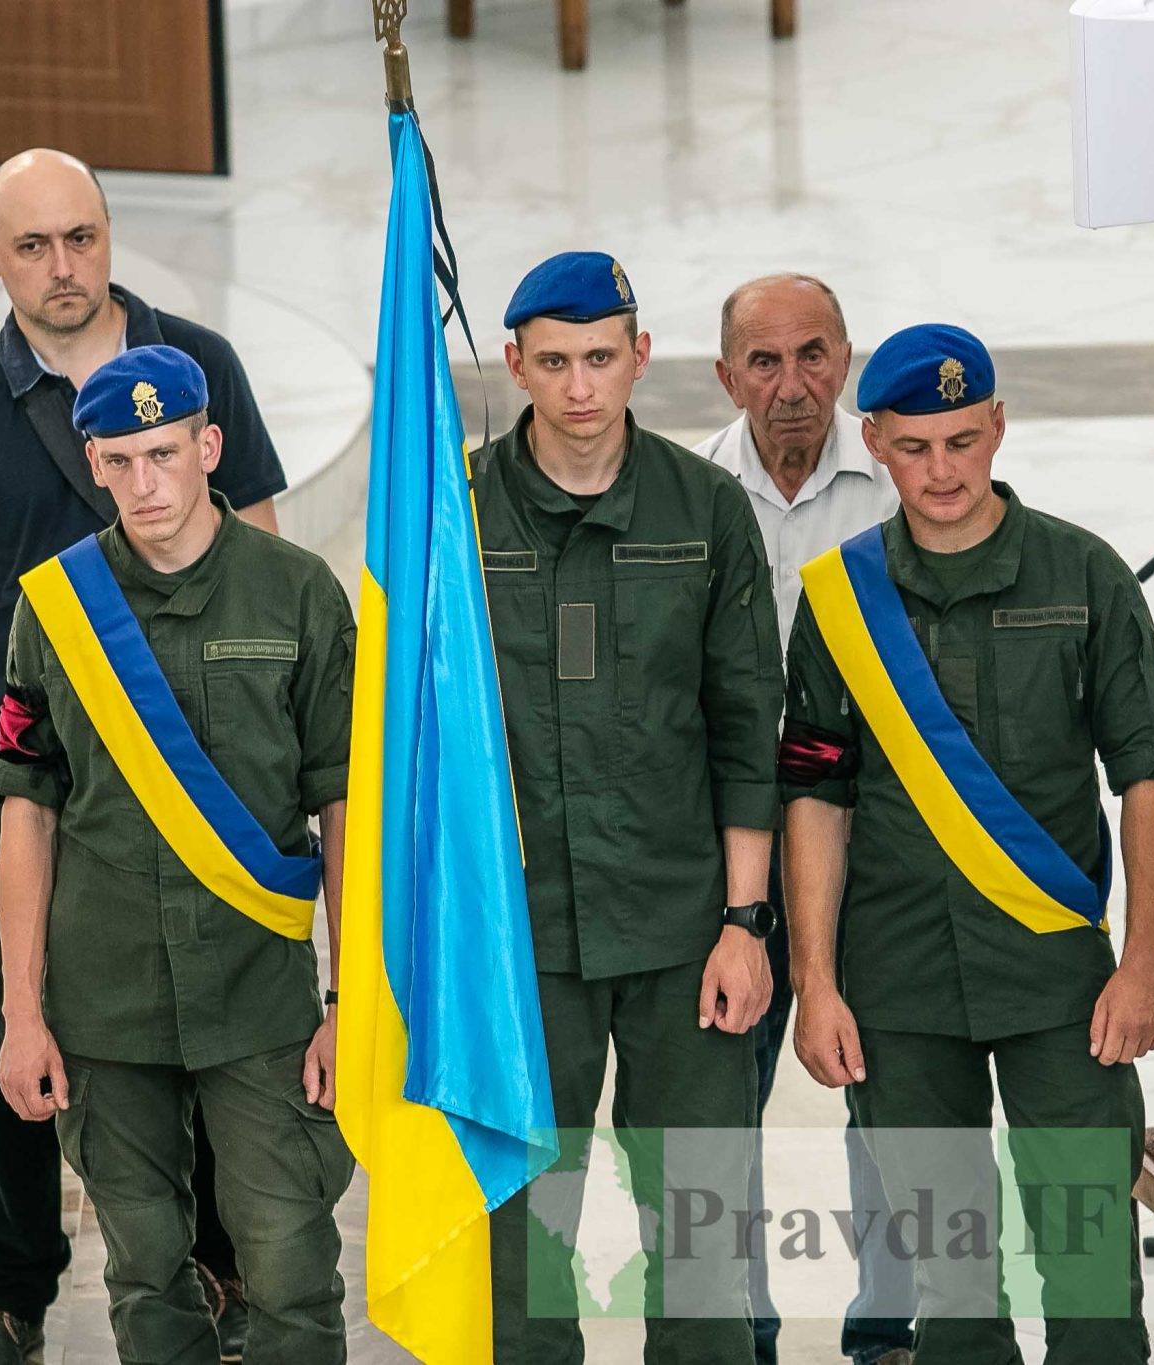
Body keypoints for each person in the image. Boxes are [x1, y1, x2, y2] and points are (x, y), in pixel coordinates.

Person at [0, 147, 286, 1365]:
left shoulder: (200, 369)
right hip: (30, 796)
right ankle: (4, 1292)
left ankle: (218, 1271)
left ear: (110, 235)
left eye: (82, 238)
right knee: (16, 1030)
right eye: (33, 246)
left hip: (204, 787)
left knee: (216, 1033)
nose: (64, 268)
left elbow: (264, 562)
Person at [780, 324, 1154, 1364]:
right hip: (898, 983)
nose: (941, 471)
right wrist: (816, 983)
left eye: (962, 441)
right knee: (951, 1295)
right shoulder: (838, 601)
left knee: (1092, 1277)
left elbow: (1145, 772)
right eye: (913, 447)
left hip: (1060, 985)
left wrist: (1142, 964)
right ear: (870, 439)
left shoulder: (1083, 577)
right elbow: (817, 799)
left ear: (998, 425)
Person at [0, 347, 356, 1364]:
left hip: (263, 1000)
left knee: (289, 1268)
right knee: (146, 1277)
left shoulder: (298, 593)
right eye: (120, 462)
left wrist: (348, 1003)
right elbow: (27, 812)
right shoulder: (55, 610)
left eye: (165, 454)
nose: (145, 485)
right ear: (93, 463)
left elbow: (342, 807)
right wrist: (23, 1015)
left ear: (209, 446)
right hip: (107, 998)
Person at [476, 252, 785, 1363]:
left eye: (600, 358)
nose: (577, 389)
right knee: (523, 1247)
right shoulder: (458, 516)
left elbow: (750, 726)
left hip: (679, 931)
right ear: (513, 364)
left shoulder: (704, 509)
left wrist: (746, 927)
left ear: (639, 357)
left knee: (698, 1234)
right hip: (519, 942)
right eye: (552, 362)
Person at [692, 274, 907, 1365]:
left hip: (866, 846)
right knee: (723, 1110)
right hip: (725, 857)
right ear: (726, 377)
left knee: (889, 1096)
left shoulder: (897, 488)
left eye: (813, 355)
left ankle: (888, 1330)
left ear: (847, 360)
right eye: (763, 363)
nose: (791, 386)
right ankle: (745, 1332)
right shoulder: (687, 497)